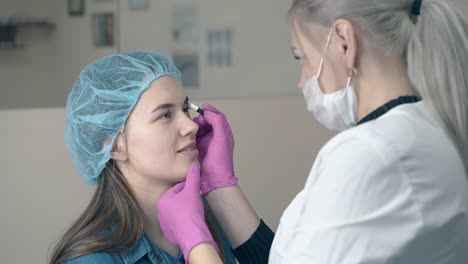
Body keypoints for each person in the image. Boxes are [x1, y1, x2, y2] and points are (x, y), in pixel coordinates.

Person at [156, 0, 468, 263]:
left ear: (344, 41)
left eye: (302, 58)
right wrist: (220, 187)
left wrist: (197, 241)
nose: (302, 80)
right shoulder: (429, 129)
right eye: (164, 114)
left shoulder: (370, 155)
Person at [49, 50, 238, 264]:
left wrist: (220, 185)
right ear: (114, 146)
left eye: (185, 109)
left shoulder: (208, 222)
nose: (191, 125)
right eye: (165, 115)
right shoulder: (91, 261)